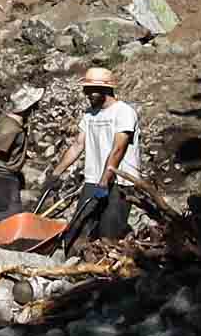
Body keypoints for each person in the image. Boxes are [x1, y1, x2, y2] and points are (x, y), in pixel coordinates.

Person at [55, 65, 141, 254]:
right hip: (93, 179)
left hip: (120, 182)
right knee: (76, 231)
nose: (88, 93)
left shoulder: (124, 112)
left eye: (92, 89)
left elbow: (119, 147)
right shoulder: (90, 114)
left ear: (107, 88)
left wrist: (106, 177)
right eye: (87, 89)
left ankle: (105, 277)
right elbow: (78, 144)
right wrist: (56, 172)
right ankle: (71, 270)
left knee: (109, 235)